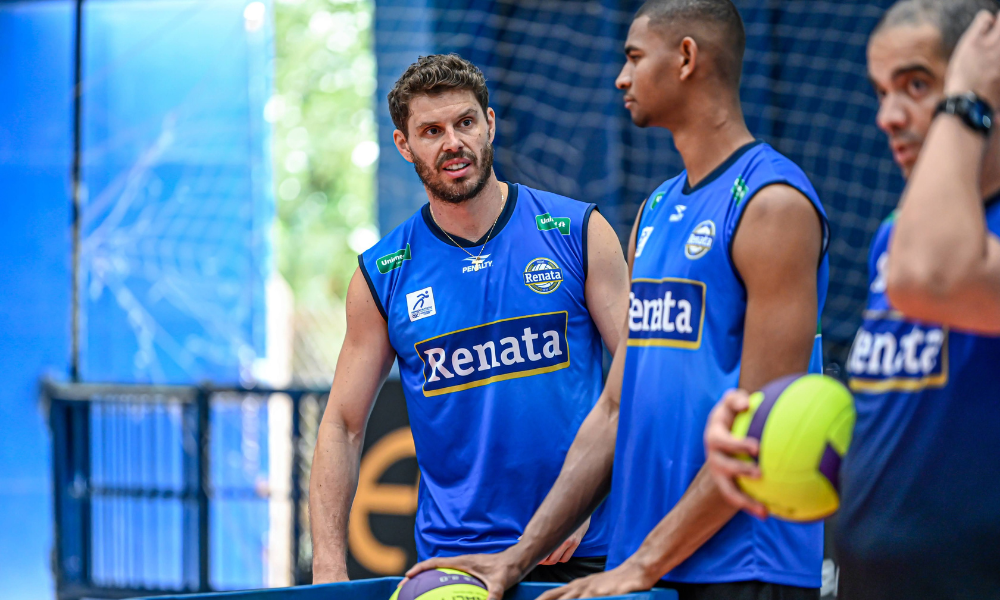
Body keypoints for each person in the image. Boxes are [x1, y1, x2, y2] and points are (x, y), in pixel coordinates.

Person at [408, 2, 830, 599]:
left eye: (634, 57)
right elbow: (613, 410)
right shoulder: (657, 210)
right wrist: (518, 558)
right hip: (654, 563)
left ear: (685, 58)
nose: (621, 78)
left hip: (745, 564)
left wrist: (638, 567)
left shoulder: (771, 203)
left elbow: (761, 433)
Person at [704, 1, 1000, 598]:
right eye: (881, 91)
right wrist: (771, 432)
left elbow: (932, 276)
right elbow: (923, 417)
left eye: (918, 85)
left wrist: (966, 101)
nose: (888, 116)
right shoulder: (901, 230)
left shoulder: (928, 254)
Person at [308, 54, 630, 584]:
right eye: (431, 130)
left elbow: (640, 379)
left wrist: (586, 496)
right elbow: (341, 427)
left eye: (465, 123)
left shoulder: (578, 231)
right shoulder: (381, 275)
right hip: (457, 565)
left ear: (490, 124)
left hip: (585, 547)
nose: (452, 142)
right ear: (403, 145)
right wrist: (328, 569)